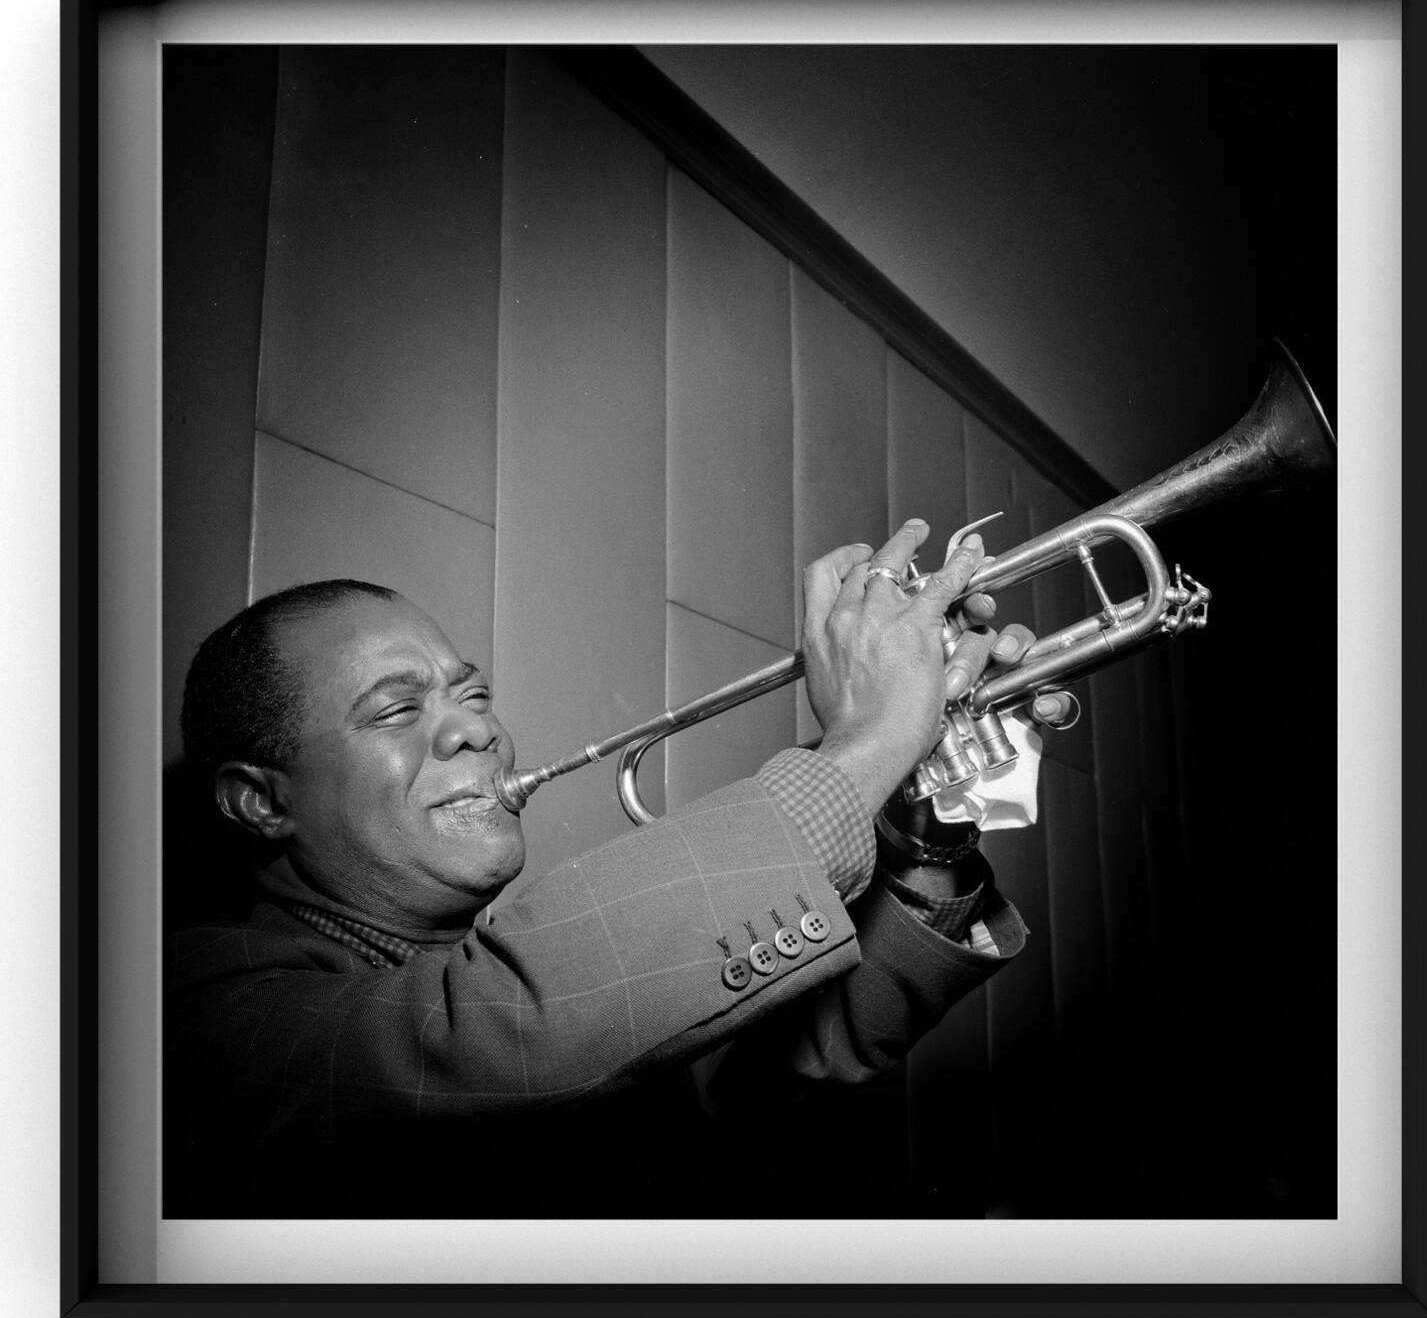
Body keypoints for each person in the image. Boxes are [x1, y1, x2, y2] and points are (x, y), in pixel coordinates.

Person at [165, 520, 1051, 1218]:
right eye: (397, 710)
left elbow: (785, 1077)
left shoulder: (572, 978)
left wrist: (922, 817)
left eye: (473, 695)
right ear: (260, 800)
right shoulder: (202, 1028)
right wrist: (868, 742)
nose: (477, 729)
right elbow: (492, 1030)